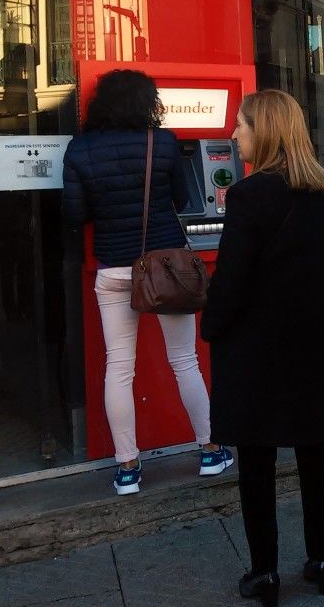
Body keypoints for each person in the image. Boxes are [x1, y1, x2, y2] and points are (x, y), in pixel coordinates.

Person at [201, 90, 324, 607]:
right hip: (310, 343)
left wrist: (211, 326)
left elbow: (233, 281)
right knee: (316, 452)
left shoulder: (248, 197)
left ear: (263, 131)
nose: (235, 133)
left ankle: (265, 574)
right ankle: (323, 561)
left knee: (257, 460)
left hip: (257, 348)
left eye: (241, 125)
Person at [62, 69, 231, 496]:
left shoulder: (79, 150)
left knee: (118, 368)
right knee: (185, 360)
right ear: (146, 104)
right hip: (165, 267)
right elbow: (181, 199)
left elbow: (73, 214)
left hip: (115, 271)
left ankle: (127, 469)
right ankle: (210, 451)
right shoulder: (166, 143)